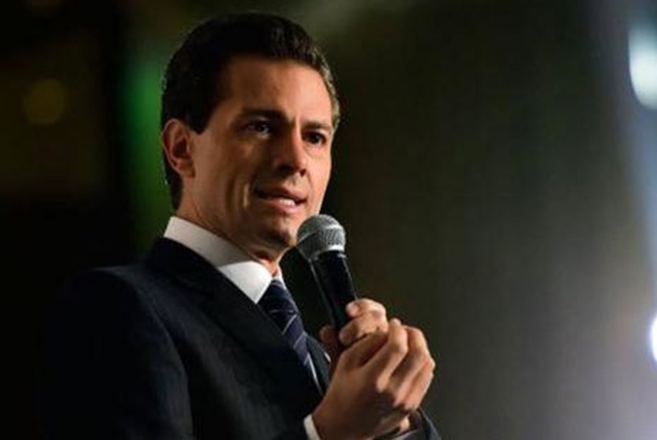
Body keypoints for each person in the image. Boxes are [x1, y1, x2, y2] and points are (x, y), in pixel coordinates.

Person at [39, 12, 440, 440]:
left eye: (314, 137)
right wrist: (330, 432)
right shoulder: (115, 308)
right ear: (181, 148)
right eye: (262, 127)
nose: (296, 160)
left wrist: (392, 422)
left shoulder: (321, 357)